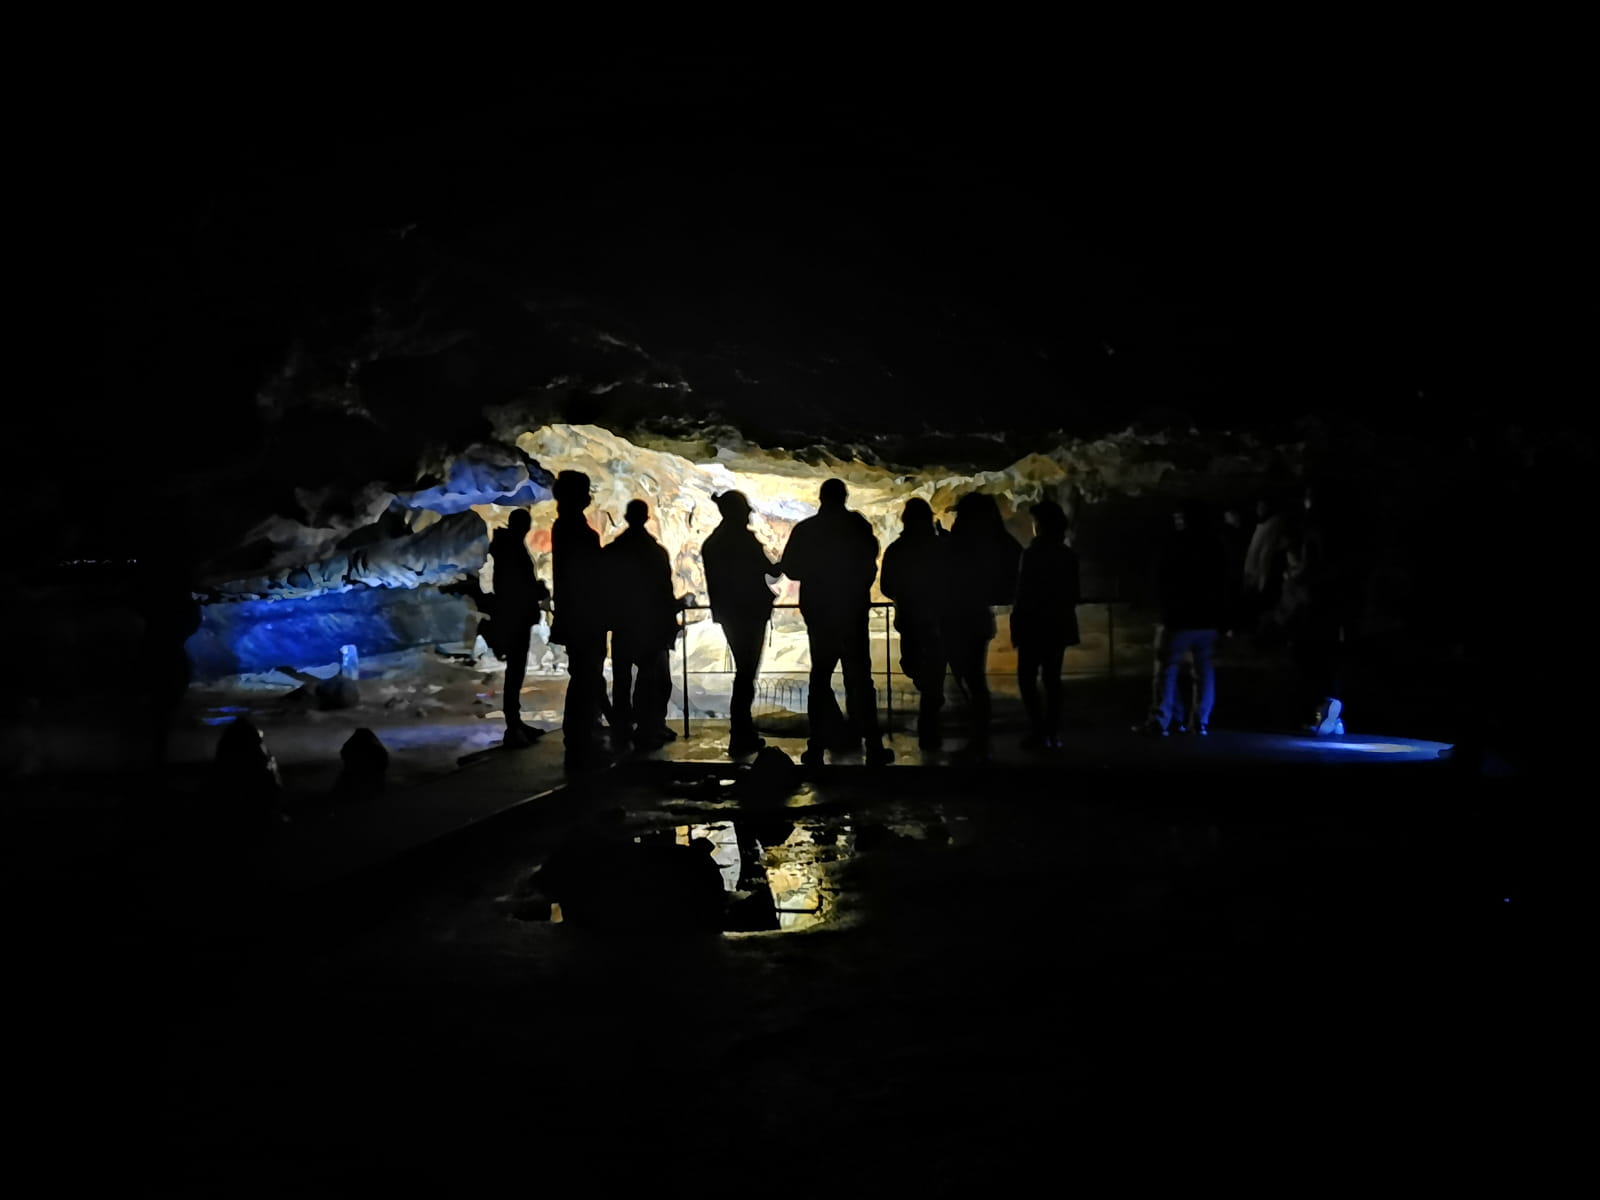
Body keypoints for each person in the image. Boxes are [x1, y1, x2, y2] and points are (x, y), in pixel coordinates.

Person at [778, 479, 893, 766]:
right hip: (852, 610)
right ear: (844, 497)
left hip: (820, 612)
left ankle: (816, 746)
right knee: (860, 678)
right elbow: (870, 560)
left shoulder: (806, 530)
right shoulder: (857, 526)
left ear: (821, 499)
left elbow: (791, 568)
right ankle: (873, 745)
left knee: (820, 678)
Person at [941, 492, 1022, 762]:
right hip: (975, 616)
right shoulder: (999, 542)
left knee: (970, 680)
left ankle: (979, 741)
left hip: (962, 616)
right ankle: (979, 739)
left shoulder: (967, 542)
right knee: (972, 680)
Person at [1137, 499, 1229, 736]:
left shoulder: (1174, 545)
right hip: (1207, 619)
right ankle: (1200, 721)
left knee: (1166, 669)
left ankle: (1161, 719)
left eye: (1179, 517)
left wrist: (1162, 608)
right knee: (1204, 669)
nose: (1176, 521)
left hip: (1178, 618)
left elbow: (1162, 580)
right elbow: (1223, 583)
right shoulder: (1214, 545)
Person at [701, 490, 779, 757]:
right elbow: (770, 571)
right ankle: (741, 734)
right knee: (747, 674)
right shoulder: (743, 541)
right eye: (745, 509)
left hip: (730, 614)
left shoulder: (714, 542)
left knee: (743, 673)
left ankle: (742, 732)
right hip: (750, 613)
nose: (748, 514)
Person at [603, 499, 683, 750]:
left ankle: (623, 725)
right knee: (650, 678)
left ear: (627, 517)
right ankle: (648, 728)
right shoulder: (655, 553)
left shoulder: (613, 551)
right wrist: (670, 619)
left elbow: (605, 589)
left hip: (622, 623)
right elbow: (663, 591)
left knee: (623, 678)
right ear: (647, 518)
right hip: (650, 624)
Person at [1284, 482, 1359, 735]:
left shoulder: (1312, 532)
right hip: (1334, 605)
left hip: (1314, 605)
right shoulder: (1345, 533)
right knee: (1328, 659)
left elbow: (1311, 568)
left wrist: (1295, 576)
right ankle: (1331, 711)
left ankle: (1319, 713)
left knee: (1310, 660)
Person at [879, 497, 951, 751]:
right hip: (936, 619)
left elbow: (886, 585)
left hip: (911, 618)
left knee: (915, 665)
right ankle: (931, 710)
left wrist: (903, 596)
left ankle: (929, 720)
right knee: (931, 670)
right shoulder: (939, 548)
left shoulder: (898, 549)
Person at [1011, 499, 1080, 750]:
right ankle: (1051, 731)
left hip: (1033, 625)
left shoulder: (1032, 555)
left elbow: (1024, 592)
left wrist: (1018, 624)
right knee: (1052, 679)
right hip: (1057, 625)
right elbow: (1074, 593)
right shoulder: (1067, 555)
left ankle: (1039, 729)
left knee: (1027, 678)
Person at [550, 471, 609, 763]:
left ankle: (583, 731)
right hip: (584, 615)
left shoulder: (566, 527)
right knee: (586, 676)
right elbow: (584, 576)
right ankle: (581, 734)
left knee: (585, 675)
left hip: (579, 614)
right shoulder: (573, 530)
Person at [487, 509, 549, 747]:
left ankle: (516, 722)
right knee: (515, 672)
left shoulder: (510, 547)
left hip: (516, 616)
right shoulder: (511, 549)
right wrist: (537, 591)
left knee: (516, 671)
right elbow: (515, 587)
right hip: (515, 618)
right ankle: (513, 726)